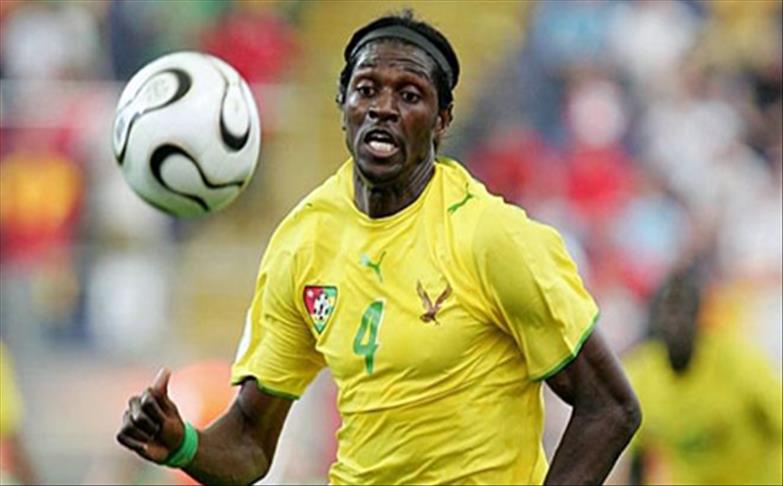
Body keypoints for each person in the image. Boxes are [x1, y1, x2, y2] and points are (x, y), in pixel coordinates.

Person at [117, 11, 641, 485]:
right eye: (366, 90)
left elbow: (610, 408)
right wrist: (181, 443)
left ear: (442, 120)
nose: (383, 108)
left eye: (409, 95)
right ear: (343, 106)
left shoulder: (494, 238)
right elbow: (250, 443)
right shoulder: (304, 242)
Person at [623, 265, 783, 485]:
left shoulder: (738, 363)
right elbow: (637, 457)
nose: (674, 323)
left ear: (699, 318)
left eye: (682, 313)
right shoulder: (643, 376)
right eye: (667, 312)